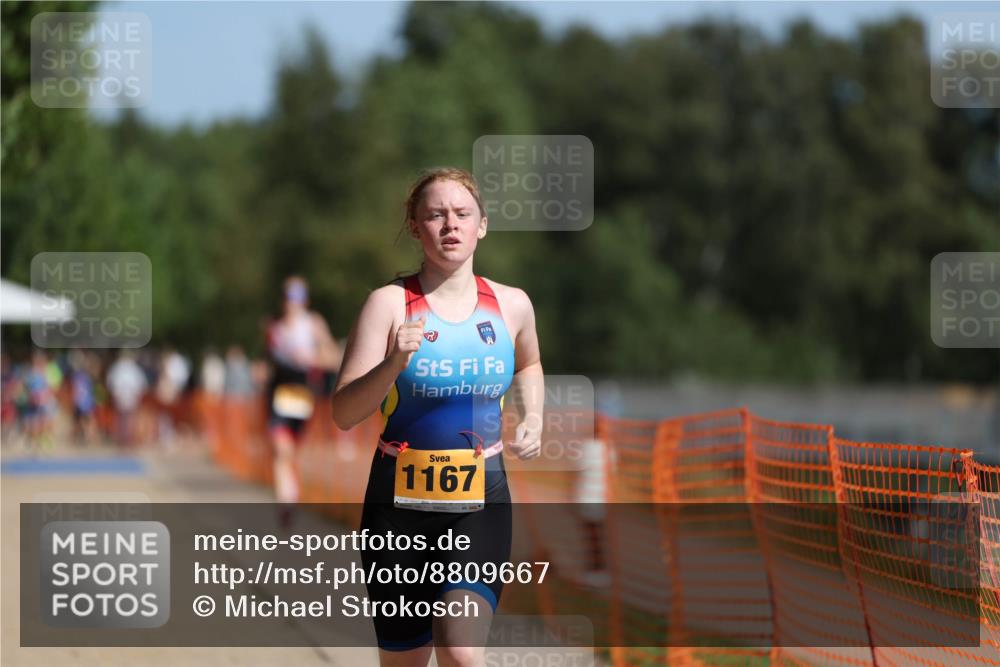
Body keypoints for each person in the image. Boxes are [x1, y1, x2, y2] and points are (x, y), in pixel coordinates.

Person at [331, 167, 543, 667]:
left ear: (482, 225)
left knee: (461, 652)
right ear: (414, 226)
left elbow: (530, 362)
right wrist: (393, 365)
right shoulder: (388, 305)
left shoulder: (511, 305)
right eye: (435, 214)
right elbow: (344, 413)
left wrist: (532, 414)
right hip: (396, 506)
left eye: (462, 214)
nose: (450, 224)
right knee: (406, 659)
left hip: (480, 502)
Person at [266, 275, 342, 525]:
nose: (292, 302)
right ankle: (286, 500)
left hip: (301, 395)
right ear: (282, 300)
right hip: (277, 394)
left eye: (297, 297)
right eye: (289, 297)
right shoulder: (274, 328)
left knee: (289, 451)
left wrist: (309, 359)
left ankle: (291, 493)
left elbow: (334, 358)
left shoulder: (313, 324)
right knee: (280, 449)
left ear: (305, 300)